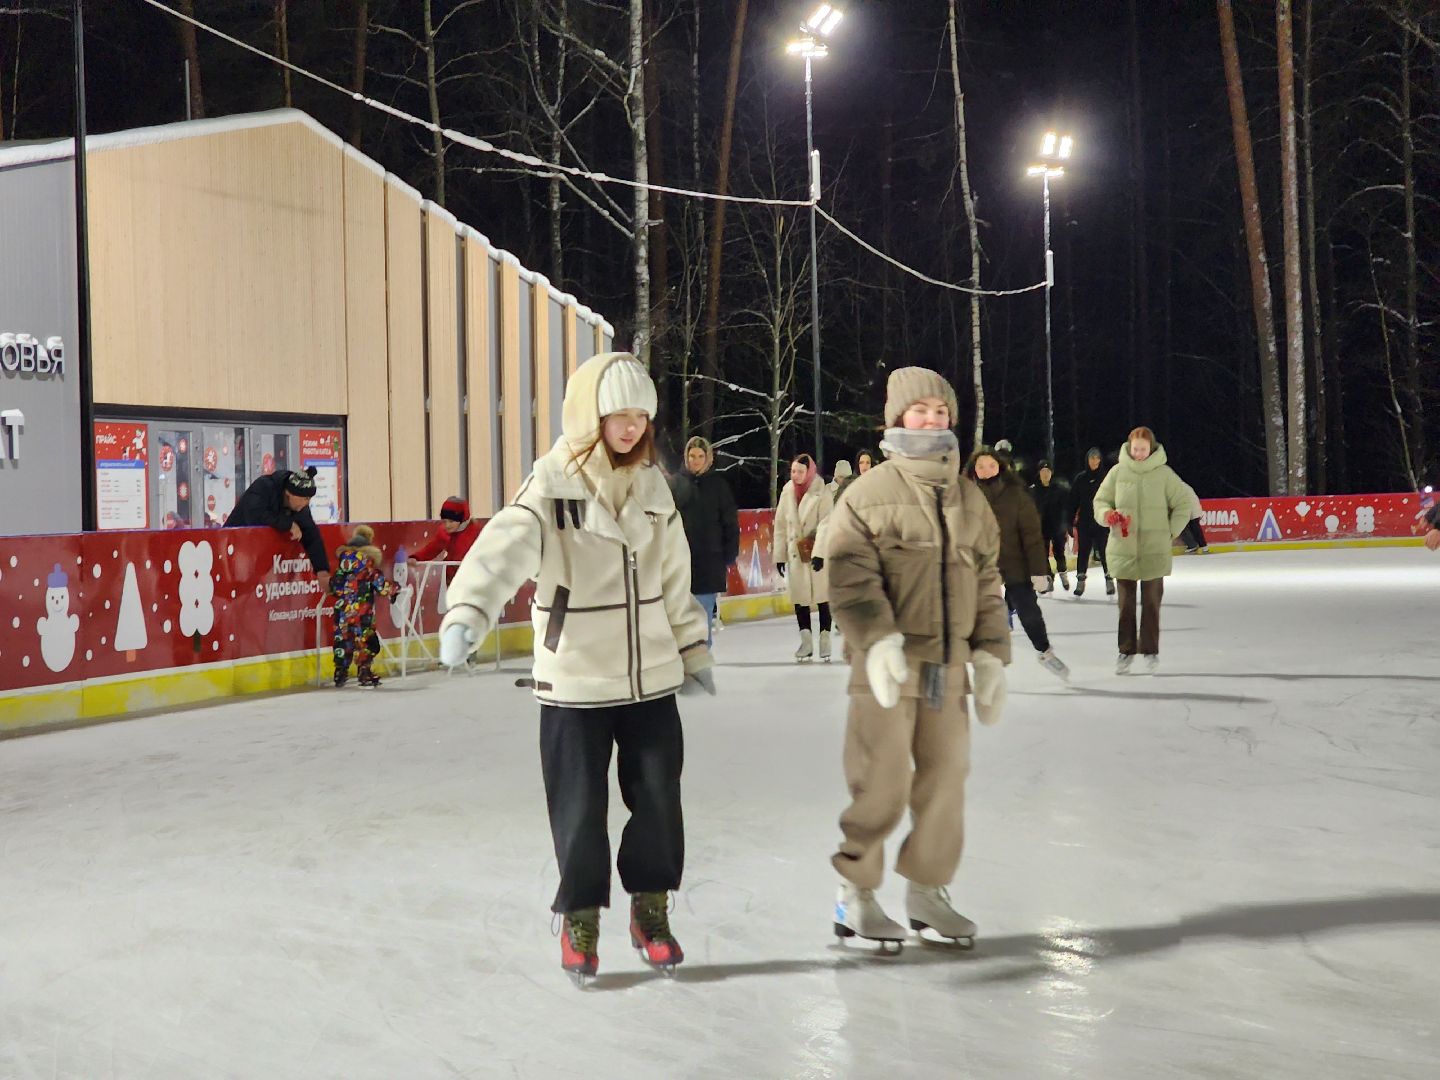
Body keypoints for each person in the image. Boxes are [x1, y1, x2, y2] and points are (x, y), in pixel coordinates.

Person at [438, 352, 713, 982]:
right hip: (576, 679)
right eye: (619, 415)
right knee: (581, 809)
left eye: (641, 416)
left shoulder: (653, 490)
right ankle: (581, 916)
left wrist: (691, 647)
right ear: (591, 415)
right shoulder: (551, 484)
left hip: (648, 679)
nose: (631, 428)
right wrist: (469, 610)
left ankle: (651, 909)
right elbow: (505, 547)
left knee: (659, 802)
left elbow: (675, 581)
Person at [825, 367, 1011, 949]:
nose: (931, 419)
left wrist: (990, 655)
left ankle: (927, 890)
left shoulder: (969, 497)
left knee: (946, 780)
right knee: (880, 783)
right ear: (897, 418)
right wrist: (876, 640)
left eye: (940, 410)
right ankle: (854, 893)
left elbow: (985, 582)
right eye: (920, 410)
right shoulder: (868, 494)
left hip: (947, 670)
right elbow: (850, 577)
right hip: (886, 670)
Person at [1093, 426, 1192, 675]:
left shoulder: (1164, 474)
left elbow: (1183, 503)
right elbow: (1100, 501)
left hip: (1154, 551)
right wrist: (1107, 515)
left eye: (1143, 449)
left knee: (1151, 604)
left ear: (1152, 448)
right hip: (1122, 548)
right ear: (1129, 447)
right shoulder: (1117, 473)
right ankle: (1125, 652)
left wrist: (1170, 531)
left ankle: (1150, 651)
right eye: (1135, 449)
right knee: (1125, 606)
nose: (1139, 453)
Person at [967, 449, 1070, 679]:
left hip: (1016, 564)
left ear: (1000, 467)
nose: (985, 471)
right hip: (982, 567)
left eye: (990, 465)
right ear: (974, 470)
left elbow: (1032, 536)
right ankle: (982, 663)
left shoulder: (1017, 495)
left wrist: (1039, 572)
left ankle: (1045, 652)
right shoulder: (969, 496)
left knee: (1029, 612)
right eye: (980, 467)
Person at [671, 436, 740, 647]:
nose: (696, 460)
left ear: (708, 458)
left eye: (700, 456)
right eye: (692, 456)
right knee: (680, 617)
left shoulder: (718, 486)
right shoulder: (676, 485)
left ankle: (702, 659)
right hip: (680, 561)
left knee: (702, 614)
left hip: (709, 561)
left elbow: (729, 522)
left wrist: (729, 553)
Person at [773, 453, 835, 662]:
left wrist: (819, 553)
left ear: (809, 472)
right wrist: (779, 556)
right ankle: (806, 641)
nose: (796, 475)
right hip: (795, 554)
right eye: (793, 471)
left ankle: (825, 638)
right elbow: (781, 525)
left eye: (800, 471)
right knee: (800, 598)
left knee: (822, 597)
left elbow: (827, 523)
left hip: (817, 551)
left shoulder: (822, 492)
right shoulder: (787, 492)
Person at [226, 465, 330, 587]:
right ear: (289, 493)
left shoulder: (300, 508)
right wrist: (288, 524)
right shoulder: (264, 487)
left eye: (309, 499)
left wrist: (322, 571)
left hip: (258, 564)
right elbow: (254, 514)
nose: (307, 503)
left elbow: (311, 535)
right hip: (234, 548)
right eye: (305, 498)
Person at [329, 525, 398, 688]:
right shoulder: (368, 568)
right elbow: (382, 586)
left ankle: (340, 671)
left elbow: (333, 587)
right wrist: (395, 589)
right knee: (366, 643)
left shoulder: (341, 569)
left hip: (342, 615)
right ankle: (364, 671)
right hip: (363, 615)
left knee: (343, 642)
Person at [1069, 447, 1114, 598]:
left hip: (1102, 522)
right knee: (1083, 552)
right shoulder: (1080, 479)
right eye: (1091, 458)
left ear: (1100, 460)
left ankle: (1109, 581)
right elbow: (1073, 501)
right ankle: (1080, 582)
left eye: (1097, 458)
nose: (1094, 461)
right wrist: (1070, 522)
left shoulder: (1106, 478)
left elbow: (1114, 499)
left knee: (1104, 551)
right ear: (1087, 460)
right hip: (1085, 523)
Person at [412, 496, 482, 582]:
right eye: (444, 521)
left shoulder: (475, 532)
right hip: (452, 577)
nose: (447, 525)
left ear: (462, 520)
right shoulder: (444, 533)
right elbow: (432, 548)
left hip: (472, 577)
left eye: (451, 522)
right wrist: (416, 557)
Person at [1030, 460, 1072, 591]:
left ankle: (1063, 574)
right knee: (1042, 555)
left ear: (1051, 473)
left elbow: (1068, 506)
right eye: (1043, 471)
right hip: (1041, 528)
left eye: (1048, 471)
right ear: (1039, 473)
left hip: (1057, 526)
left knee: (1059, 552)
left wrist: (1066, 523)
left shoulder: (1059, 489)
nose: (1045, 474)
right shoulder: (1033, 491)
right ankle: (1049, 579)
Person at [1177, 482, 1209, 554]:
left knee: (1188, 526)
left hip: (1190, 507)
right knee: (1194, 527)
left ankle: (1194, 545)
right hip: (1191, 507)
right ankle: (1202, 546)